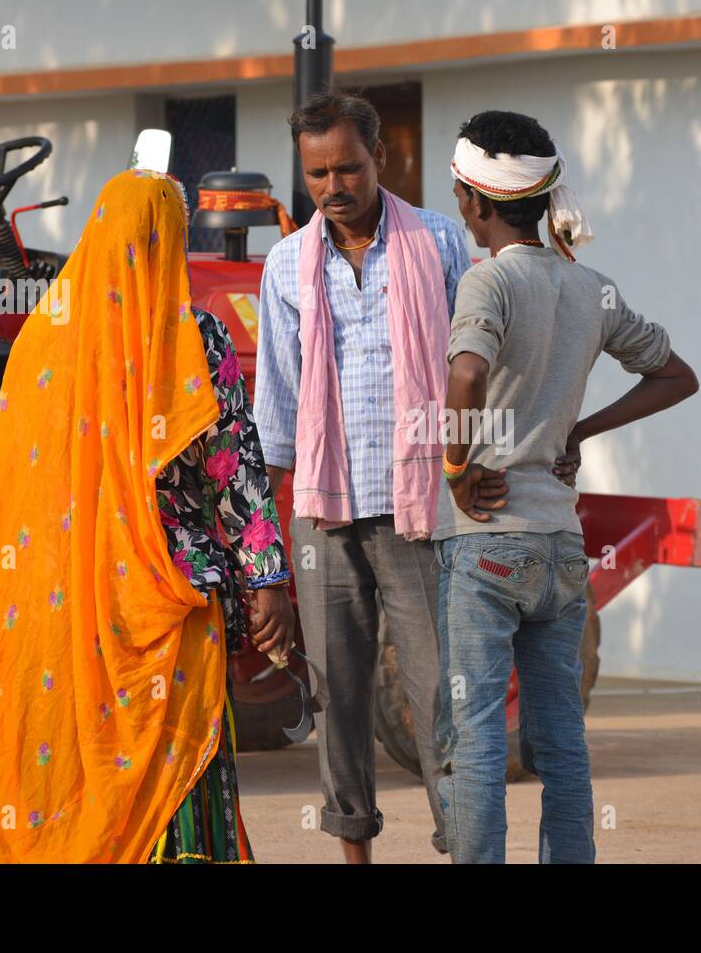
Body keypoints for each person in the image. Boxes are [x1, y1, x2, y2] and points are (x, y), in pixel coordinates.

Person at [0, 168, 294, 863]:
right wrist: (268, 578)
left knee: (71, 755)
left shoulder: (45, 342)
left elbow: (15, 483)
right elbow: (233, 470)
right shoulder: (197, 338)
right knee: (173, 760)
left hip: (65, 599)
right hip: (174, 593)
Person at [434, 111, 699, 863]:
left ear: (477, 203)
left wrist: (457, 470)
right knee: (562, 742)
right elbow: (676, 375)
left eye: (460, 193)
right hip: (560, 548)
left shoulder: (486, 281)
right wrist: (577, 432)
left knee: (480, 735)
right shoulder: (591, 288)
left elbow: (466, 373)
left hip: (486, 545)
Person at [254, 90, 470, 862]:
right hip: (324, 512)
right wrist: (264, 564)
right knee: (335, 701)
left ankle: (464, 844)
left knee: (442, 697)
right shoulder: (285, 266)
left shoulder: (441, 243)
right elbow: (274, 414)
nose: (333, 186)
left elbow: (472, 375)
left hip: (424, 511)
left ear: (382, 159)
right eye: (317, 173)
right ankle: (355, 856)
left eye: (348, 167)